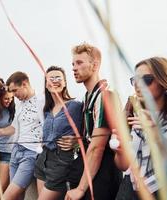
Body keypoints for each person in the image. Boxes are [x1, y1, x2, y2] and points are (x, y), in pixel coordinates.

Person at [112, 57, 167, 200]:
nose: (138, 85)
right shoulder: (135, 117)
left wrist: (157, 136)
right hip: (129, 192)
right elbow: (123, 166)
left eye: (146, 79)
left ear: (165, 82)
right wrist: (120, 152)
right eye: (135, 80)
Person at [65, 43, 122, 200]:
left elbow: (97, 147)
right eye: (73, 64)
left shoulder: (105, 95)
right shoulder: (89, 96)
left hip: (104, 170)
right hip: (91, 166)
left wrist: (81, 189)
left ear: (95, 65)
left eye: (79, 63)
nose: (74, 68)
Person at [34, 66, 83, 199]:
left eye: (58, 78)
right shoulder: (47, 109)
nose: (55, 81)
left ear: (65, 82)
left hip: (61, 163)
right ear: (46, 84)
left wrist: (77, 141)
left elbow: (86, 133)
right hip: (43, 160)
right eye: (51, 78)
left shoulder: (74, 106)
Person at [0, 71, 44, 200]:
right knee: (17, 197)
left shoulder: (42, 100)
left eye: (15, 90)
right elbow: (14, 128)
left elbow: (49, 126)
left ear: (24, 84)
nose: (13, 95)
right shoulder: (19, 104)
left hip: (30, 154)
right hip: (16, 152)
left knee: (7, 196)